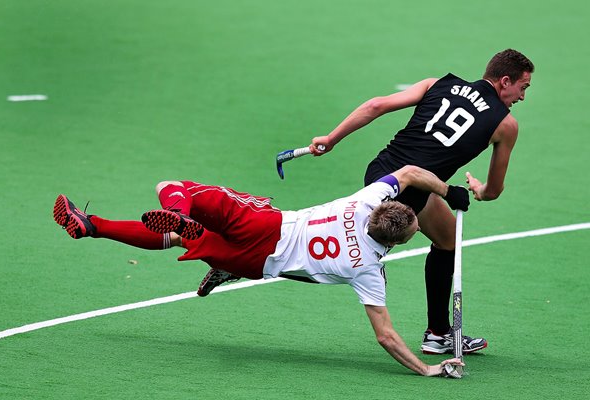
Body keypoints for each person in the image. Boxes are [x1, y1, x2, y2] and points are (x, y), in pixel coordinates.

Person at [53, 165, 469, 377]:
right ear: (396, 241)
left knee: (172, 187)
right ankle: (98, 226)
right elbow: (386, 336)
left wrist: (447, 192)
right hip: (258, 263)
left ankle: (170, 216)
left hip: (264, 226)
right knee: (183, 240)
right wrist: (427, 368)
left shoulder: (365, 201)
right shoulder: (367, 270)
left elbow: (412, 173)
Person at [304, 48, 535, 355]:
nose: (522, 96)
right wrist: (478, 189)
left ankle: (438, 333)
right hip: (410, 192)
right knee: (357, 250)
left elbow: (376, 105)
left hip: (381, 173)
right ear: (505, 81)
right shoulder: (505, 125)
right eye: (523, 87)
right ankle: (272, 255)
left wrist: (331, 138)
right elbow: (493, 191)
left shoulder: (437, 82)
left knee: (447, 238)